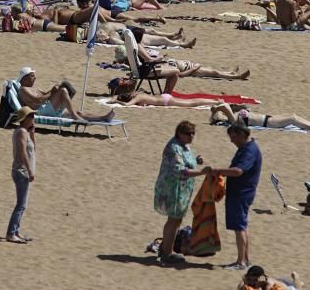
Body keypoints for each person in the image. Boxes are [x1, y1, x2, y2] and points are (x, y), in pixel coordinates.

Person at [204, 123, 262, 270]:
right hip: (241, 192)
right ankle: (246, 259)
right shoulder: (246, 148)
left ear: (242, 134)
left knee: (239, 227)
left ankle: (240, 262)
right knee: (242, 226)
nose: (232, 141)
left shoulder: (249, 150)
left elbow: (237, 171)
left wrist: (218, 171)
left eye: (234, 137)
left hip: (242, 193)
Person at [154, 121, 208, 265]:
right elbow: (180, 170)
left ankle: (166, 248)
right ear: (179, 133)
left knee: (177, 220)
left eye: (193, 134)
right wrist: (201, 172)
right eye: (188, 134)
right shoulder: (174, 148)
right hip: (173, 189)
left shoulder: (184, 146)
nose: (191, 136)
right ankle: (167, 253)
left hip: (182, 190)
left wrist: (196, 161)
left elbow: (186, 162)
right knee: (173, 220)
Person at [18, 67, 114, 123]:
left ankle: (103, 118)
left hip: (48, 108)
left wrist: (54, 90)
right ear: (25, 78)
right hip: (41, 111)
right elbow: (38, 100)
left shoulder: (33, 88)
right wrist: (53, 91)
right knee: (63, 91)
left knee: (79, 112)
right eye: (32, 76)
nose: (35, 78)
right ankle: (75, 117)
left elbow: (45, 95)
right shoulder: (23, 89)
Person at [6, 106, 35, 244]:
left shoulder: (24, 132)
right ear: (24, 119)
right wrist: (29, 170)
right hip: (21, 171)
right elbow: (23, 153)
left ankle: (16, 231)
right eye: (31, 116)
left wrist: (33, 134)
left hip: (21, 171)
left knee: (22, 204)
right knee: (21, 205)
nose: (33, 118)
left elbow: (33, 149)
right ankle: (11, 233)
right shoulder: (22, 132)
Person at [108, 78, 220, 109]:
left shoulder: (137, 97)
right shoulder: (137, 93)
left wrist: (117, 101)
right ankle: (214, 101)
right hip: (164, 97)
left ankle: (215, 102)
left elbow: (127, 104)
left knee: (192, 103)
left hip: (165, 101)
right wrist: (115, 99)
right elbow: (115, 96)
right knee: (192, 101)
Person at [211, 102, 310, 131]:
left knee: (293, 115)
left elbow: (242, 107)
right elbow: (225, 106)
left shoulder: (236, 115)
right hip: (269, 123)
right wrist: (215, 108)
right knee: (293, 119)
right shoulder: (233, 121)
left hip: (268, 118)